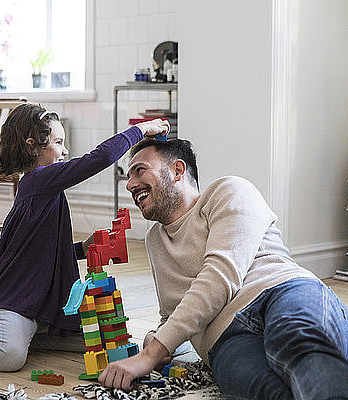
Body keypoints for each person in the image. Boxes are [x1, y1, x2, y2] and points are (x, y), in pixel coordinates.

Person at [98, 137, 348, 399]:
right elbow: (173, 313)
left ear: (177, 170)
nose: (130, 184)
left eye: (140, 170)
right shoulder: (155, 241)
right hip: (224, 337)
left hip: (280, 291)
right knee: (261, 388)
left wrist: (151, 354)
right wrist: (155, 338)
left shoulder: (229, 190)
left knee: (302, 344)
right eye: (129, 176)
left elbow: (221, 276)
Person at [0, 103, 170, 371]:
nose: (64, 150)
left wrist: (81, 249)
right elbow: (97, 159)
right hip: (11, 302)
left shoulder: (45, 190)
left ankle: (31, 338)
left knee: (99, 343)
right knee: (9, 358)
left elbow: (37, 252)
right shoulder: (38, 181)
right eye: (58, 142)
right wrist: (141, 129)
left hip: (42, 307)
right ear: (32, 146)